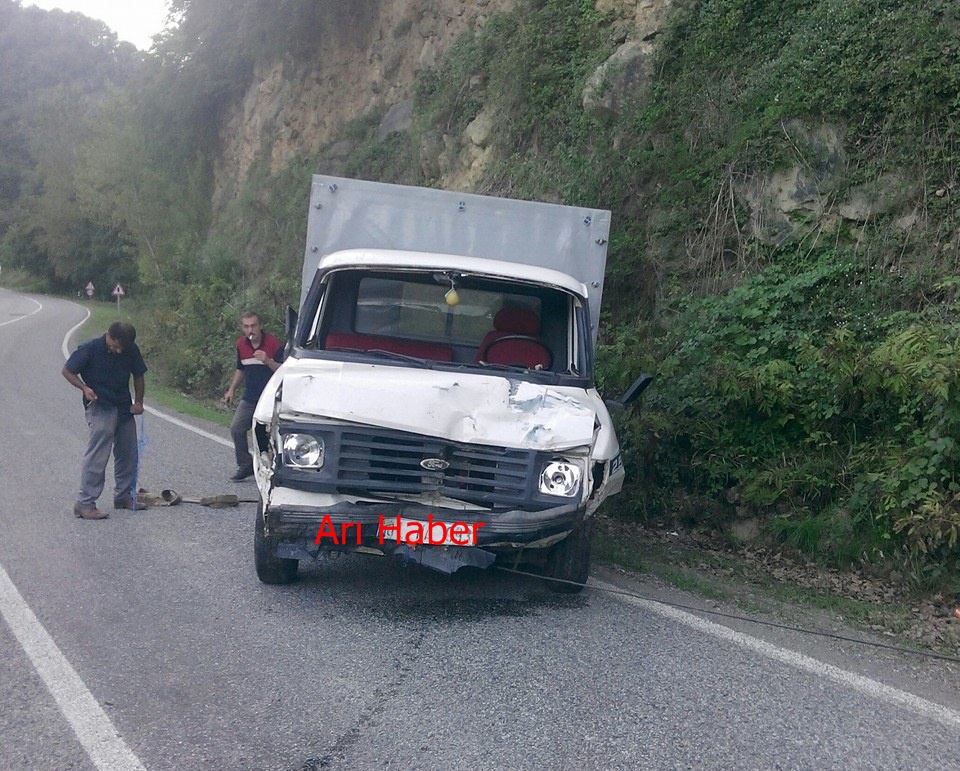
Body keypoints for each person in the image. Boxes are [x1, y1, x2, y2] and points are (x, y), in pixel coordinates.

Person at [62, 322, 147, 520]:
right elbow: (67, 371)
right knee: (98, 454)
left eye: (122, 349)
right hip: (99, 405)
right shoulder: (90, 349)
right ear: (108, 335)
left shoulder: (130, 349)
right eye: (115, 346)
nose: (118, 351)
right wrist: (84, 388)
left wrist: (139, 401)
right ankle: (84, 503)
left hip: (123, 407)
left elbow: (139, 374)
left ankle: (123, 497)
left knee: (128, 453)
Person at [222, 311, 283, 481]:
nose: (251, 330)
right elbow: (241, 368)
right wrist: (231, 389)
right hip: (250, 396)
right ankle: (245, 465)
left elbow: (285, 371)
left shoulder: (273, 343)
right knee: (236, 428)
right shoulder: (241, 344)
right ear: (242, 328)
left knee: (266, 434)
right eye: (247, 326)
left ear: (260, 326)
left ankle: (274, 469)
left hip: (271, 397)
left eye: (254, 325)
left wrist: (268, 361)